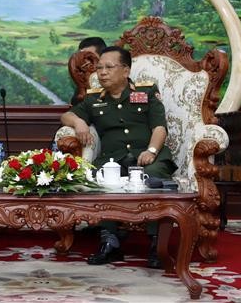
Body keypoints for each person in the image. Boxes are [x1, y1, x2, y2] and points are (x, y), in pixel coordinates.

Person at [60, 46, 177, 267]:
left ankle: (155, 242)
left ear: (125, 70)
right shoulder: (94, 99)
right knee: (101, 179)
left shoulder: (146, 92)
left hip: (148, 153)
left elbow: (160, 128)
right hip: (113, 158)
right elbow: (66, 115)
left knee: (151, 177)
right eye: (99, 68)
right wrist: (79, 121)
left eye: (109, 67)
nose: (102, 72)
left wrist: (151, 151)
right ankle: (110, 242)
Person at [69, 36, 107, 106]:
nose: (86, 62)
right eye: (82, 57)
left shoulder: (114, 83)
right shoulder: (82, 83)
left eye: (90, 57)